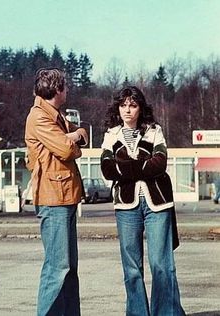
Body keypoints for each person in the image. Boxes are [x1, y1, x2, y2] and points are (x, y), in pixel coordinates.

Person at [101, 86, 185, 316]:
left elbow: (160, 163)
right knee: (132, 269)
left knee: (162, 265)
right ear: (118, 108)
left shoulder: (154, 131)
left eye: (133, 105)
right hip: (126, 207)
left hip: (158, 203)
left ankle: (167, 313)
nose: (127, 110)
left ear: (140, 108)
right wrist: (142, 166)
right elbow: (107, 169)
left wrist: (125, 168)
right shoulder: (111, 134)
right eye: (123, 105)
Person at [25, 68, 88, 316]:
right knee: (57, 267)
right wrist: (70, 138)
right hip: (53, 200)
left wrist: (72, 135)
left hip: (66, 196)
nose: (68, 91)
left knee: (69, 268)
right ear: (57, 90)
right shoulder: (39, 117)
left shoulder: (56, 116)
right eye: (66, 87)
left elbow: (81, 133)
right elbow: (66, 150)